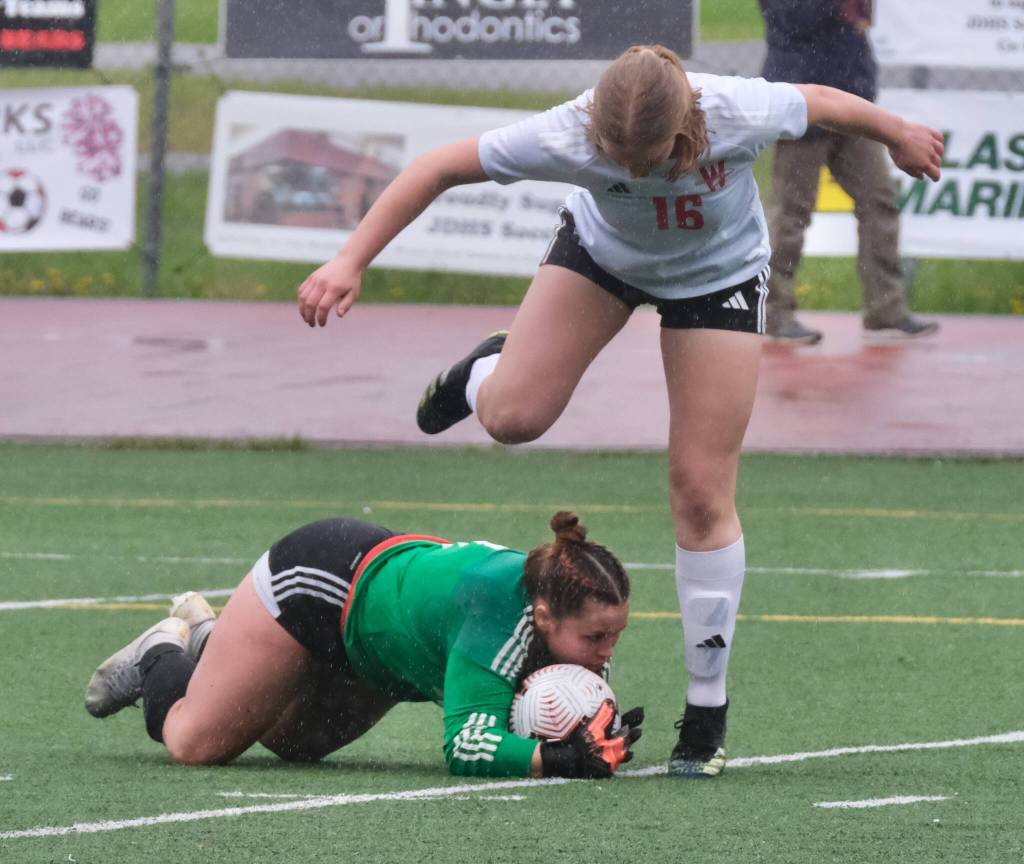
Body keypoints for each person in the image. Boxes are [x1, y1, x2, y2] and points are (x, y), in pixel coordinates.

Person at [295, 44, 943, 777]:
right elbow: (436, 167)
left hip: (717, 278)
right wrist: (349, 260)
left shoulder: (737, 109)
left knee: (700, 491)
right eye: (618, 158)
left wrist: (897, 131)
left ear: (689, 128)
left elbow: (826, 100)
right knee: (512, 418)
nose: (633, 171)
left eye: (652, 157)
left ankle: (705, 713)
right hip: (602, 261)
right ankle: (483, 373)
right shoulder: (568, 130)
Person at [84, 512, 642, 779]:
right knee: (197, 743)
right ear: (543, 617)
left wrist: (596, 726)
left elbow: (528, 714)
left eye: (615, 634)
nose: (606, 652)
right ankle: (165, 647)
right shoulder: (498, 611)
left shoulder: (555, 610)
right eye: (596, 637)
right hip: (318, 586)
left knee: (295, 744)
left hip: (379, 653)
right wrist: (557, 758)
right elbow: (468, 745)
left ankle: (216, 640)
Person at [760, 0, 940, 344]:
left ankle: (885, 311)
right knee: (790, 214)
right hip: (803, 105)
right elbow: (792, 19)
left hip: (851, 104)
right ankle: (773, 314)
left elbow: (857, 26)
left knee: (880, 201)